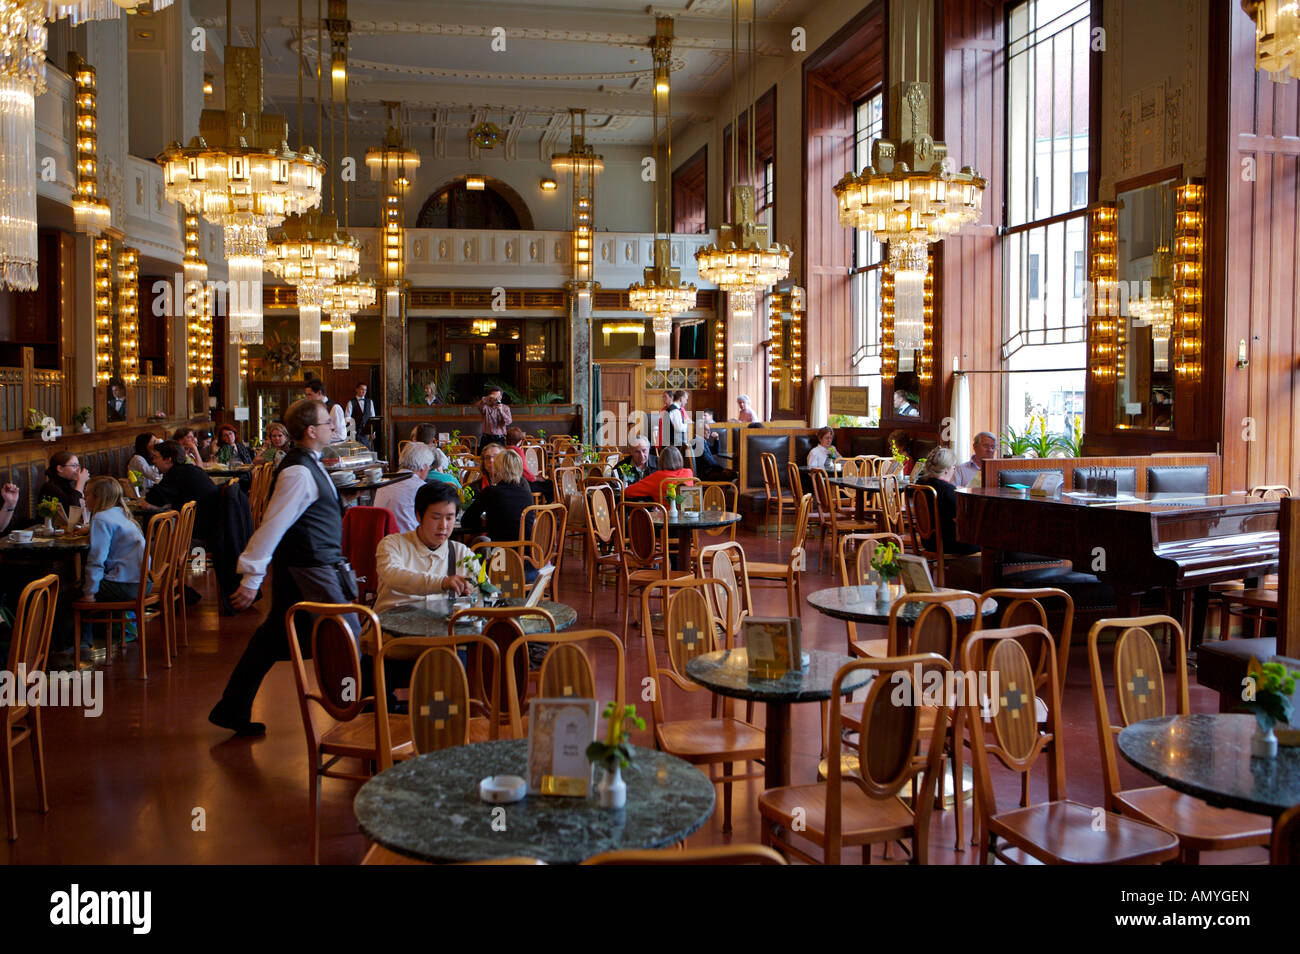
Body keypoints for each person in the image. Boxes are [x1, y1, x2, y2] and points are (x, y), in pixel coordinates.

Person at [209, 398, 359, 737]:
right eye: (326, 423)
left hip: (307, 566)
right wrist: (251, 578)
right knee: (347, 635)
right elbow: (272, 525)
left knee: (273, 640)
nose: (332, 428)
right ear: (310, 431)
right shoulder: (297, 471)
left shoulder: (310, 463)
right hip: (312, 569)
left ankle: (232, 708)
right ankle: (357, 701)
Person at [55, 476, 147, 667]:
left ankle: (68, 650)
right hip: (143, 582)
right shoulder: (120, 512)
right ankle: (83, 644)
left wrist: (89, 594)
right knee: (82, 588)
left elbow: (96, 560)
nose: (84, 498)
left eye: (87, 494)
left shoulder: (101, 518)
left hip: (126, 586)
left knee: (64, 595)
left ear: (97, 498)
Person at [372, 482, 476, 614]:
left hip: (440, 630)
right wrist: (442, 583)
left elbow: (485, 590)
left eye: (449, 518)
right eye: (436, 517)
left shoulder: (461, 553)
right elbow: (393, 575)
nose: (443, 526)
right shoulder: (392, 544)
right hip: (390, 629)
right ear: (418, 516)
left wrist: (471, 591)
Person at [915, 447, 981, 589]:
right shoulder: (948, 491)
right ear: (946, 470)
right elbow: (961, 520)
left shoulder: (920, 484)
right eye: (953, 467)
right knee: (988, 543)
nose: (954, 470)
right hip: (948, 544)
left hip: (927, 540)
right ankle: (973, 589)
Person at [146, 441, 220, 537]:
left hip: (195, 538)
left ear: (168, 459)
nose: (153, 461)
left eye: (156, 457)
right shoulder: (192, 469)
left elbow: (149, 502)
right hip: (213, 531)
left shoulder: (175, 474)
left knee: (145, 549)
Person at [461, 447, 534, 544]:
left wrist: (485, 521)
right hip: (527, 552)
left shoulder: (491, 492)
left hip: (501, 553)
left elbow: (466, 521)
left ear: (498, 470)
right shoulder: (526, 493)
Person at [375, 441, 433, 533]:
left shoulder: (382, 485)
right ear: (423, 466)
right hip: (410, 544)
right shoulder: (422, 489)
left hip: (382, 542)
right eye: (429, 466)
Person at [624, 445, 694, 502]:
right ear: (680, 459)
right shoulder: (689, 472)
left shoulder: (658, 476)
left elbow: (628, 492)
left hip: (665, 515)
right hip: (688, 515)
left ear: (661, 461)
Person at [347, 383, 377, 449]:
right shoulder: (351, 402)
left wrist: (373, 432)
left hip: (367, 433)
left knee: (369, 453)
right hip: (355, 433)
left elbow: (373, 418)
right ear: (357, 390)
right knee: (357, 454)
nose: (364, 391)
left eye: (365, 390)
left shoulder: (370, 402)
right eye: (362, 389)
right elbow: (347, 419)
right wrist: (352, 432)